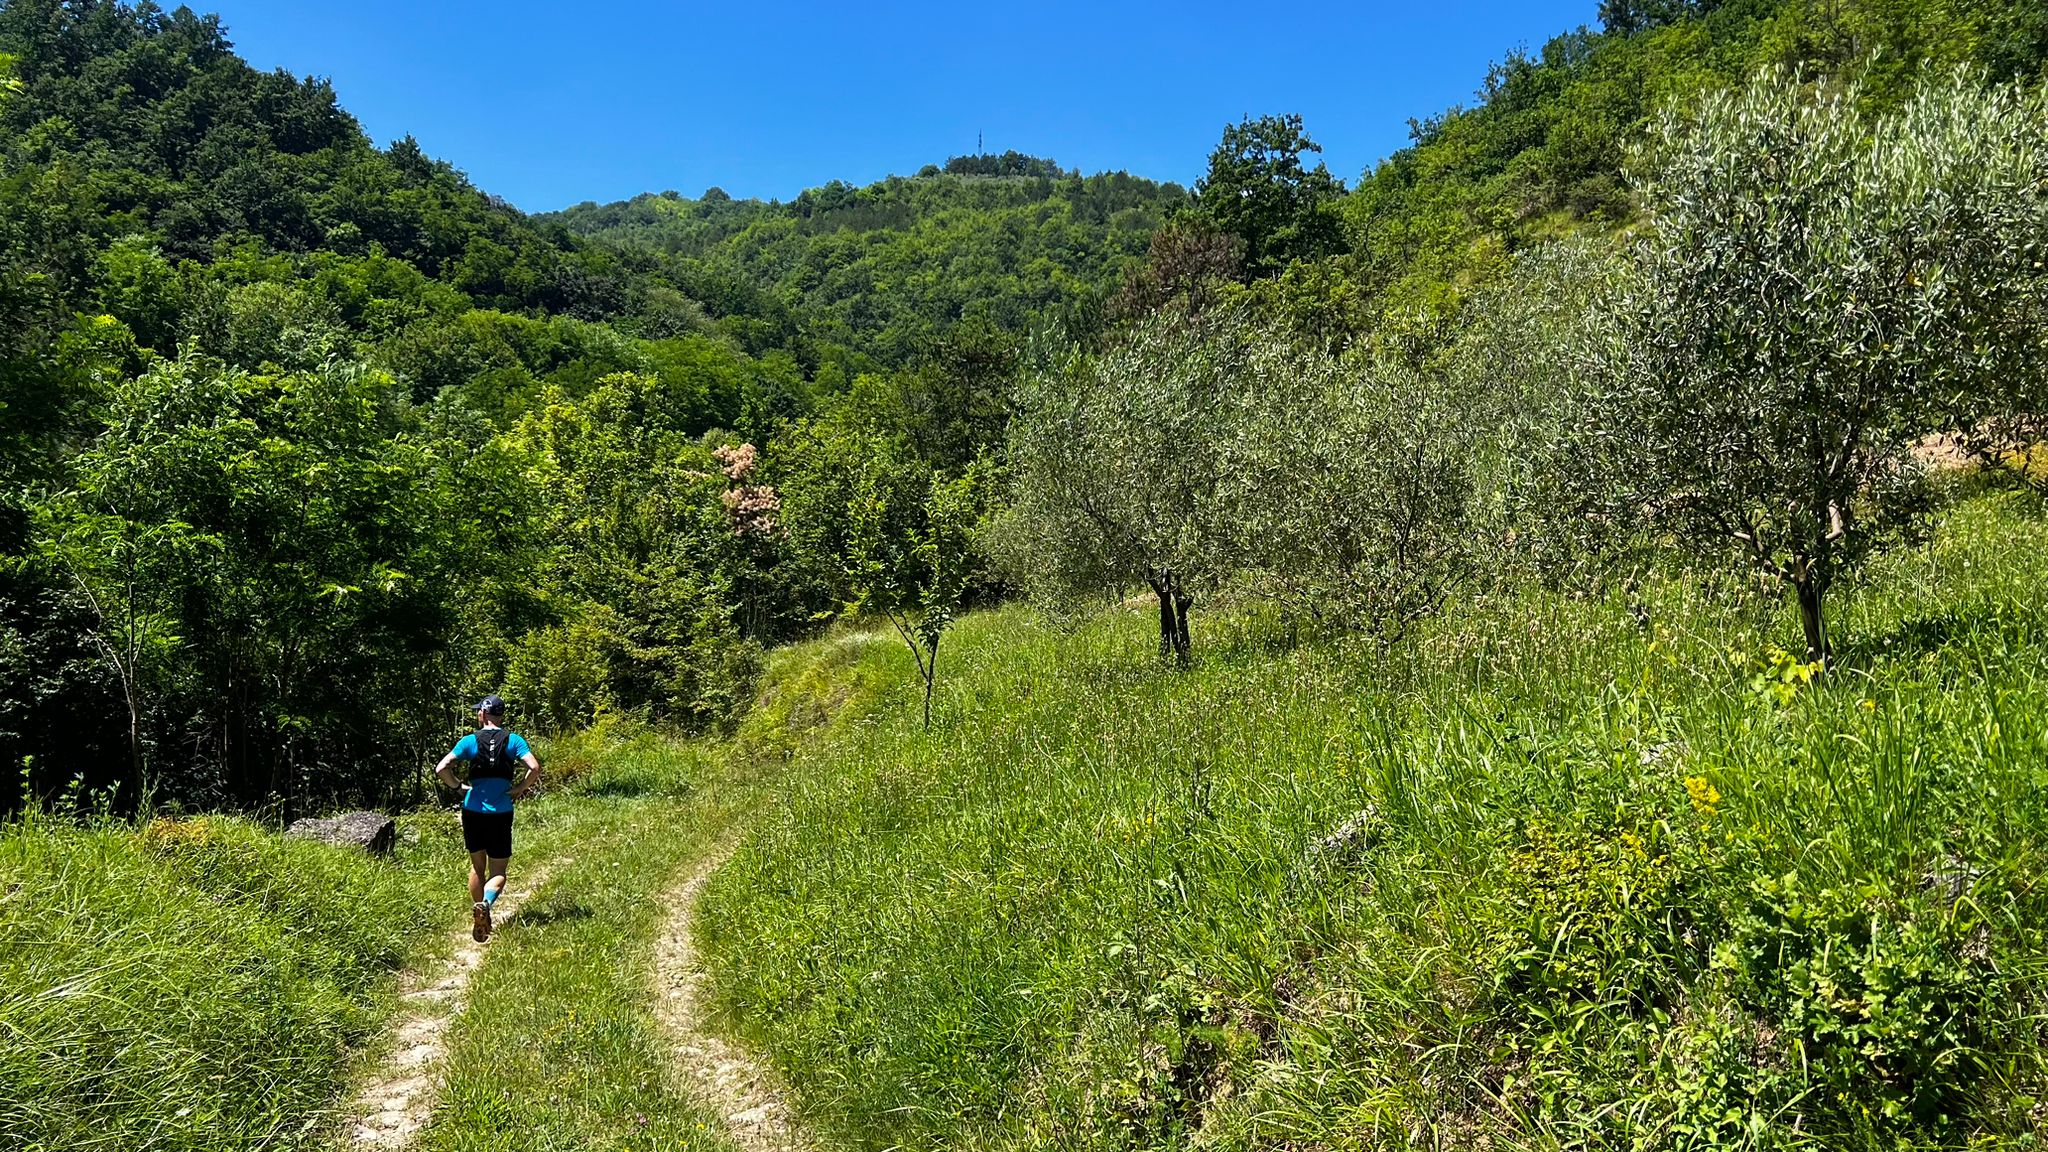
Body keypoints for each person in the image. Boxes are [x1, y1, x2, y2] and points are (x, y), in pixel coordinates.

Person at [433, 695, 541, 942]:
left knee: (477, 867)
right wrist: (519, 788)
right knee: (499, 871)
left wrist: (459, 788)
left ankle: (481, 912)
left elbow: (441, 768)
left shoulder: (469, 741)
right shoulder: (513, 740)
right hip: (501, 811)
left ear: (482, 714)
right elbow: (534, 768)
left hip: (472, 812)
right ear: (500, 716)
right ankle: (486, 905)